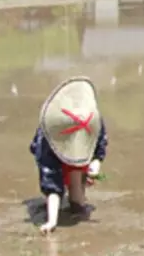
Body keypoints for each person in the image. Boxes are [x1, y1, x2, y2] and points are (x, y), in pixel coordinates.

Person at [31, 77, 108, 234]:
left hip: (80, 152)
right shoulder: (46, 142)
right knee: (58, 190)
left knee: (78, 205)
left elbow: (100, 145)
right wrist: (51, 221)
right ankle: (67, 195)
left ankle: (77, 192)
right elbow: (51, 181)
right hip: (54, 150)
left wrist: (96, 162)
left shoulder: (92, 120)